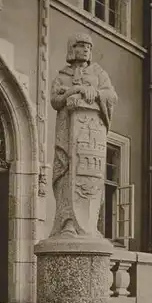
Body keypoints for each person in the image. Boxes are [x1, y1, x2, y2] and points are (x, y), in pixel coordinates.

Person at [50, 32, 117, 237]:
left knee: (89, 176)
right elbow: (54, 100)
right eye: (81, 45)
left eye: (88, 46)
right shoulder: (62, 75)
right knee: (65, 171)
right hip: (66, 133)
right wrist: (73, 91)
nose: (86, 49)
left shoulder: (99, 73)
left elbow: (112, 96)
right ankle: (67, 222)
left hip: (89, 136)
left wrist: (95, 93)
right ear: (72, 49)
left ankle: (89, 225)